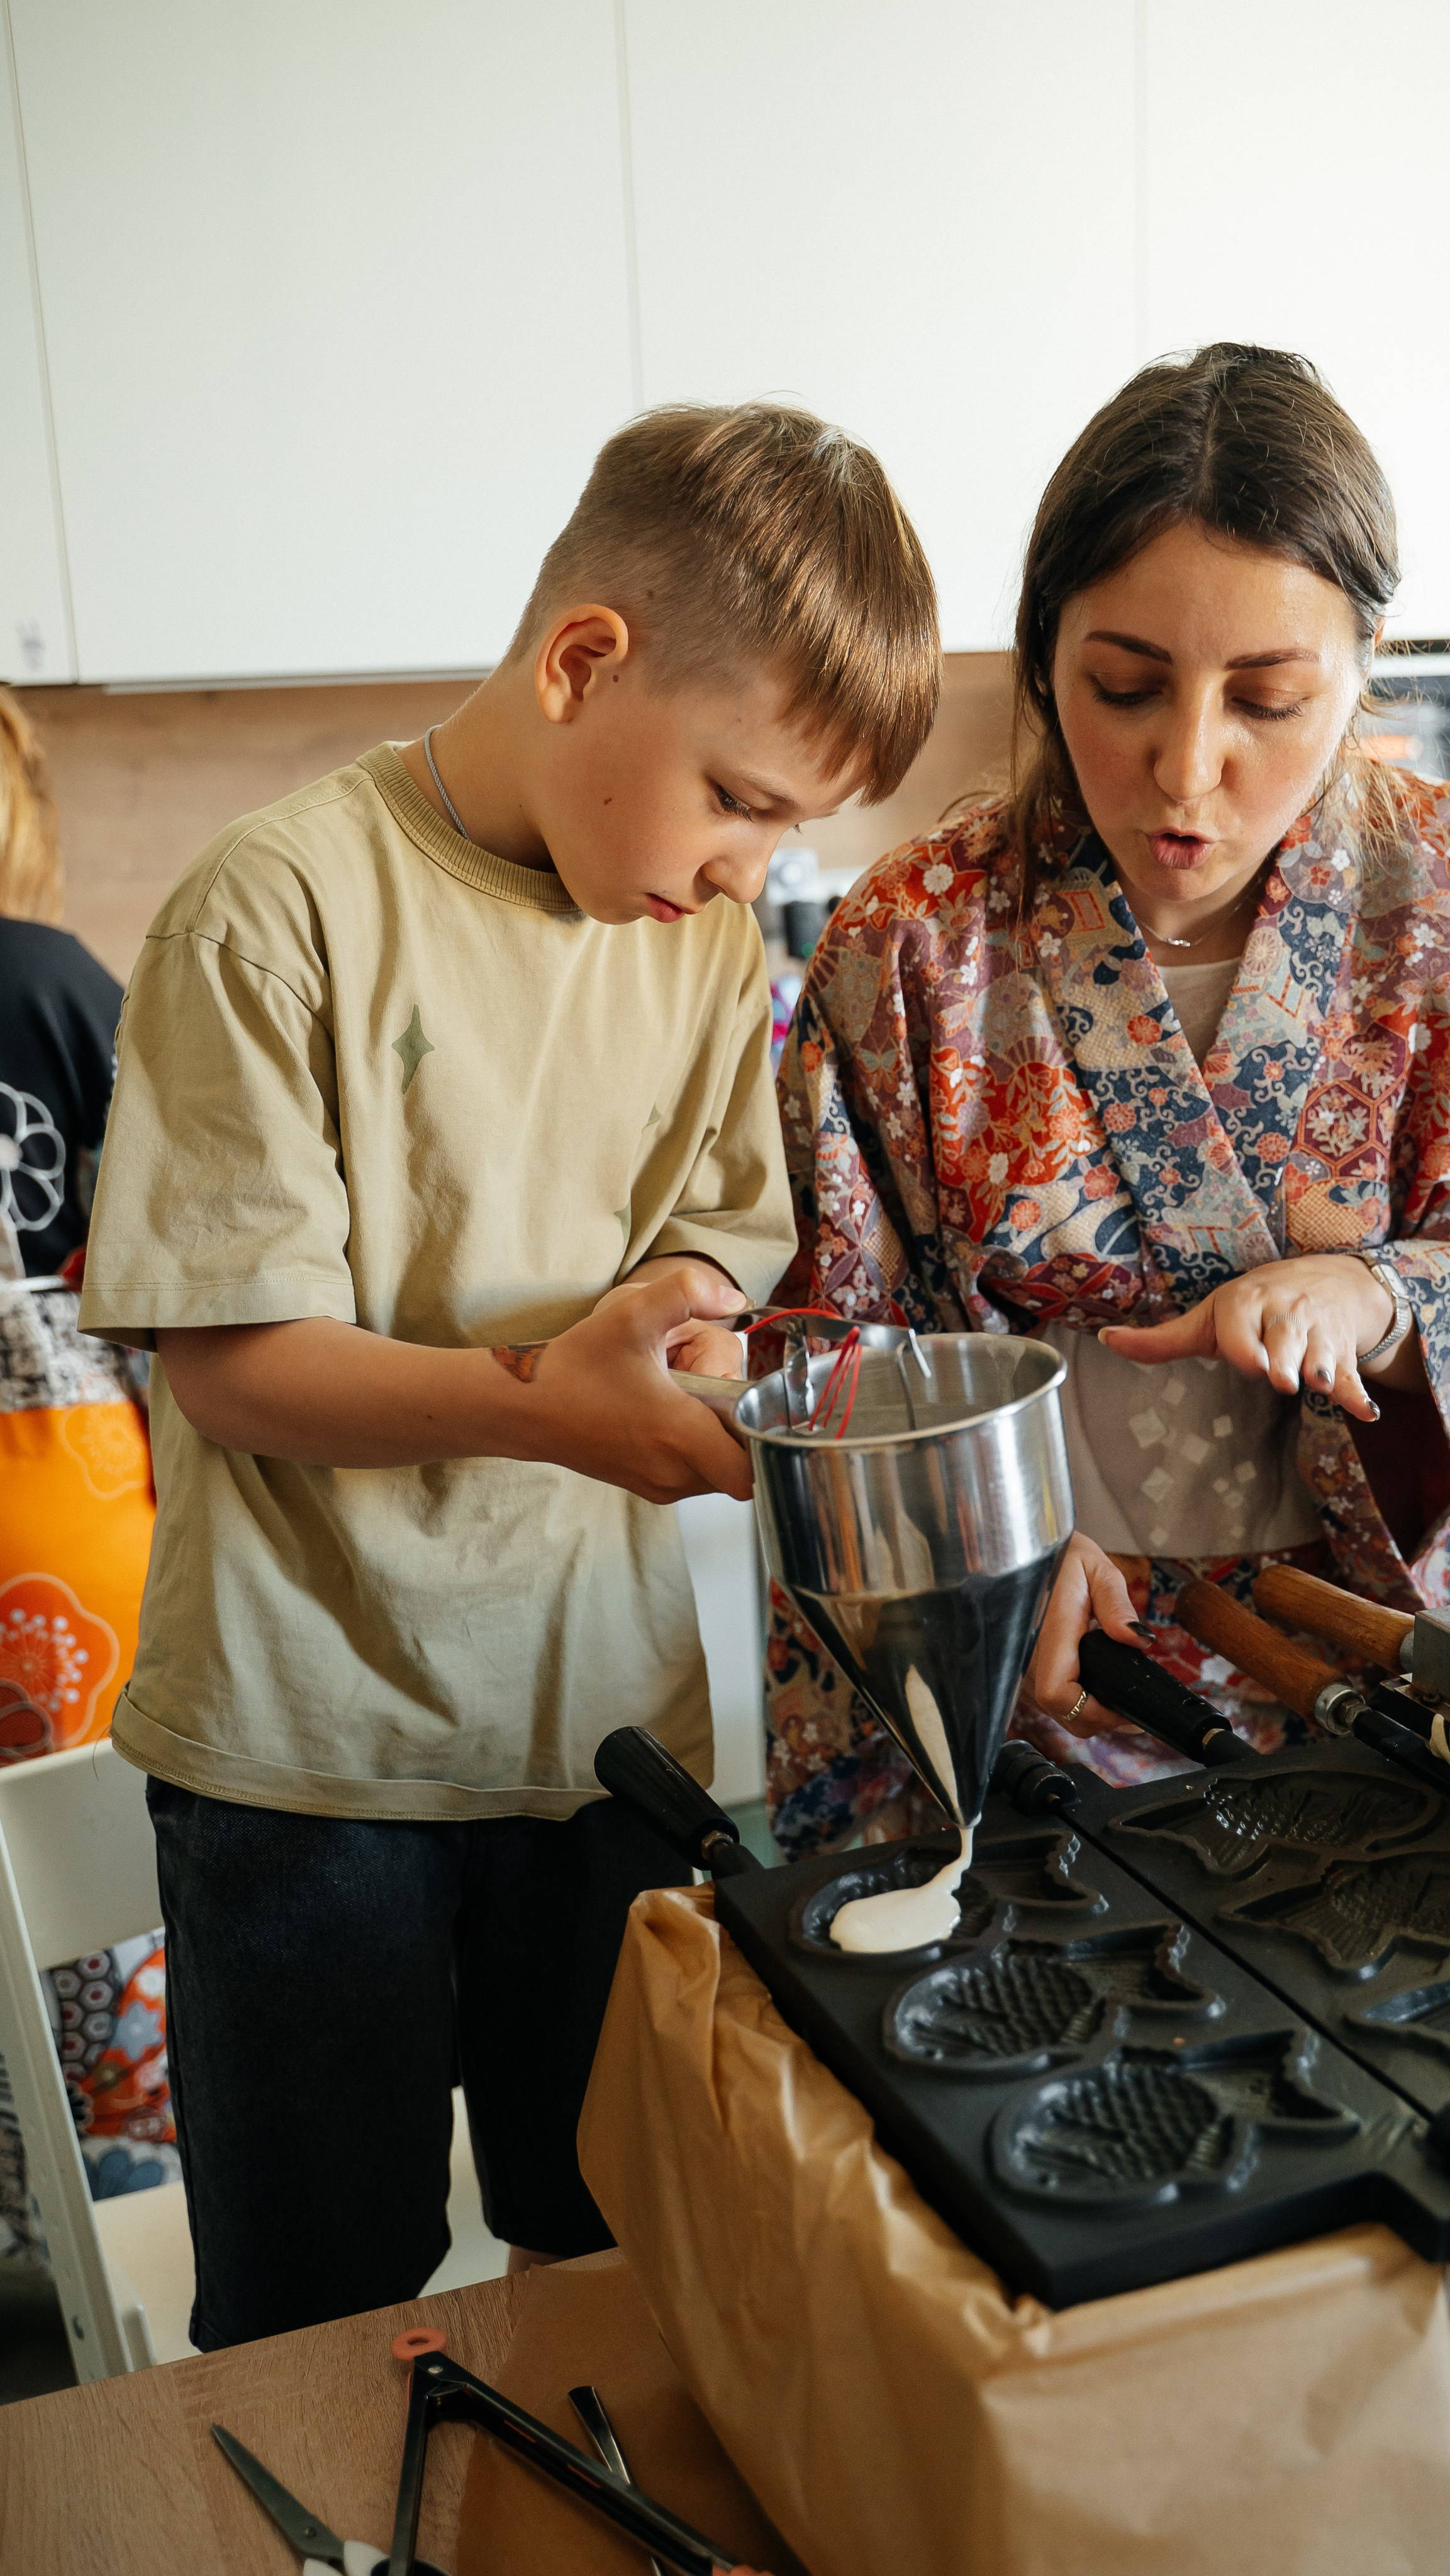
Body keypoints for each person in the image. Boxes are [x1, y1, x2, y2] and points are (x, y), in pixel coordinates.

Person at [77, 402, 942, 2346]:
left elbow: (722, 1222)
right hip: (309, 1757)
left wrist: (683, 1300)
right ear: (580, 663)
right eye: (736, 800)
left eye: (784, 831)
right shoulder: (272, 908)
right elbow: (232, 1367)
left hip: (605, 1730)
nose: (750, 868)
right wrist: (549, 1398)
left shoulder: (700, 946)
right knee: (316, 2314)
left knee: (615, 2257)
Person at [768, 343, 1449, 1857]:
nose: (1185, 769)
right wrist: (976, 1533)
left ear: (1363, 663)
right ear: (1041, 654)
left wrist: (1380, 1295)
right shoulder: (913, 942)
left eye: (1269, 698)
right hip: (1045, 1659)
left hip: (1383, 1654)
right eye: (1123, 687)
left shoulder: (1440, 910)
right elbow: (825, 1334)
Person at [0, 689, 172, 2255]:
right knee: (85, 1879)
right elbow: (167, 1279)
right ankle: (122, 2212)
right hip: (59, 1504)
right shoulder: (54, 983)